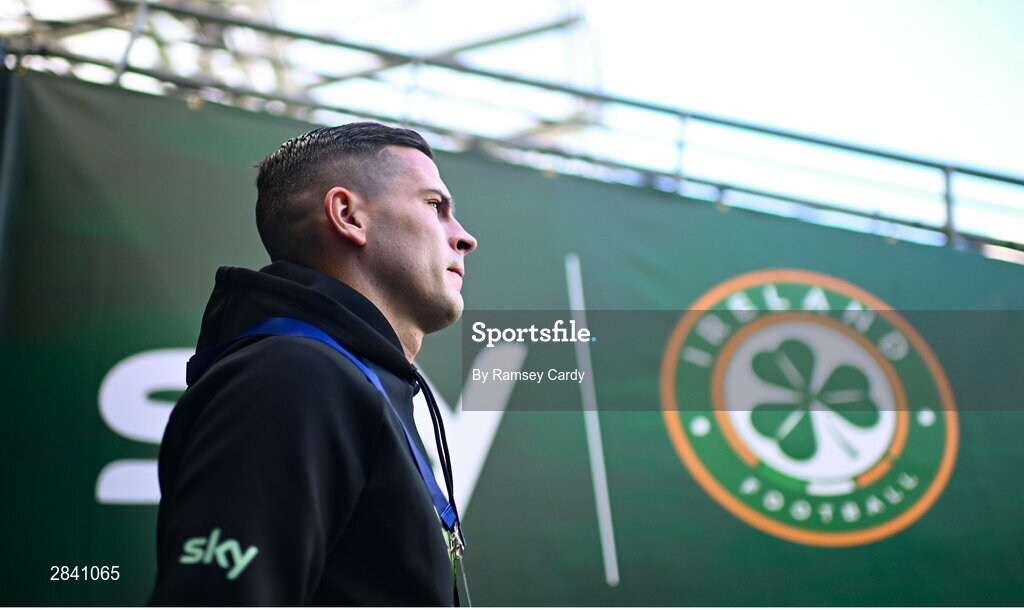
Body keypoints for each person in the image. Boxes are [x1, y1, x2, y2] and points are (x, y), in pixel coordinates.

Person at [149, 122, 478, 606]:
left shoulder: (347, 379)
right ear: (347, 215)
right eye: (435, 206)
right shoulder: (291, 375)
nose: (464, 237)